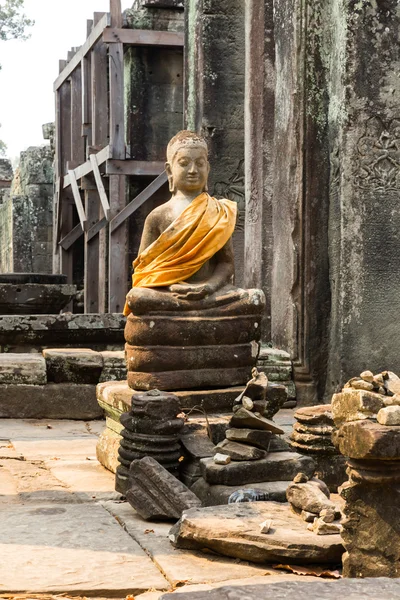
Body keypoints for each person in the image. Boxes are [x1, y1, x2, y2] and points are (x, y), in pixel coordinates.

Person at [124, 130, 263, 316]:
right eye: (184, 163)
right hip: (169, 292)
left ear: (208, 168)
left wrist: (208, 287)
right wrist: (172, 286)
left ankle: (192, 312)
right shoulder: (158, 216)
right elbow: (144, 271)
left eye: (200, 163)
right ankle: (194, 313)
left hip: (210, 293)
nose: (193, 170)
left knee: (254, 298)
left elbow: (226, 263)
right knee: (137, 297)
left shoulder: (219, 212)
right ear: (169, 170)